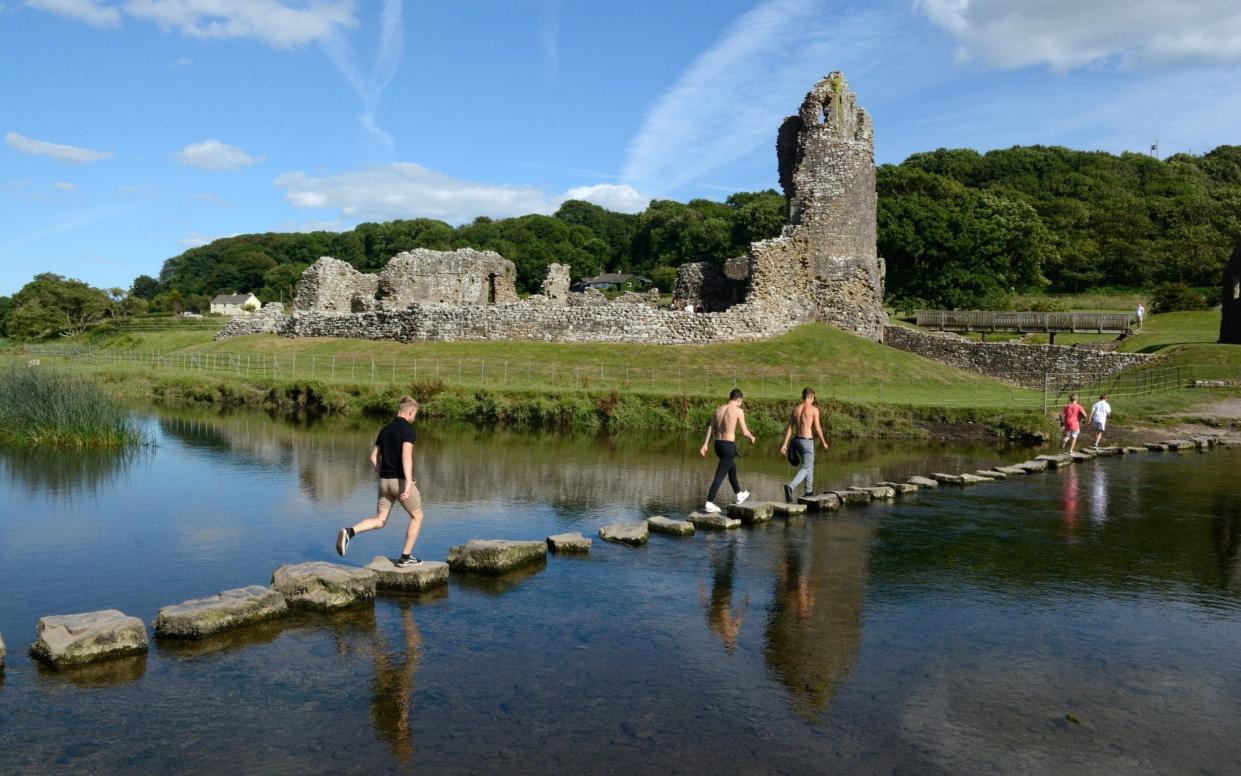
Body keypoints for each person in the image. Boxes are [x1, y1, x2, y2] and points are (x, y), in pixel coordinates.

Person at [336, 395, 425, 566]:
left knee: (380, 519)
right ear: (411, 412)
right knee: (417, 516)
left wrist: (383, 472)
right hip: (399, 482)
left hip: (384, 481)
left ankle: (350, 531)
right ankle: (406, 557)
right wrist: (407, 483)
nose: (414, 418)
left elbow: (372, 457)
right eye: (415, 414)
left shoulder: (385, 430)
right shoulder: (408, 430)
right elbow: (406, 457)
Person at [700, 388, 755, 513]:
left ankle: (738, 494)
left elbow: (710, 427)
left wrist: (705, 444)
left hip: (717, 445)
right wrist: (752, 438)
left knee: (732, 468)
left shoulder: (718, 409)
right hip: (728, 446)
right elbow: (744, 431)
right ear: (738, 399)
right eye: (741, 401)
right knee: (720, 475)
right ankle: (709, 501)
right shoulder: (738, 411)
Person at [778, 387, 830, 502]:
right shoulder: (813, 410)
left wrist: (784, 444)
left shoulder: (796, 409)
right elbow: (817, 428)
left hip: (796, 441)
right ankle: (791, 487)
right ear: (810, 397)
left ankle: (809, 492)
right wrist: (824, 442)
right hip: (807, 442)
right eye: (813, 398)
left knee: (809, 465)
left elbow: (790, 428)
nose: (814, 400)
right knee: (806, 466)